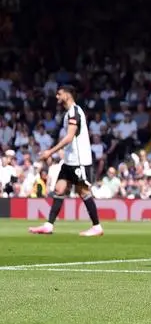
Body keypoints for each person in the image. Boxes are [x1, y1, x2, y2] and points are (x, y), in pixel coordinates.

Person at [28, 84, 103, 237]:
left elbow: (69, 137)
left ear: (68, 95)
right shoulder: (69, 113)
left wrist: (50, 152)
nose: (57, 97)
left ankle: (97, 226)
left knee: (83, 192)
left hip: (79, 161)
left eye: (59, 94)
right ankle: (49, 225)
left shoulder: (74, 112)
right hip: (69, 161)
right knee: (59, 189)